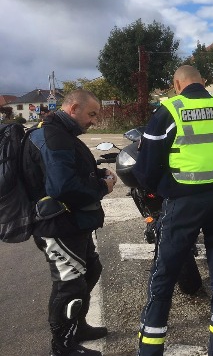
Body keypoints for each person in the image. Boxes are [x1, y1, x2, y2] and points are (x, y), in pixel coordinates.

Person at [133, 65, 213, 356]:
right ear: (202, 81)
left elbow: (146, 171)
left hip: (183, 203)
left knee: (163, 278)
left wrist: (168, 188)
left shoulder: (169, 111)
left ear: (177, 84)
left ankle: (149, 351)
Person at [22, 89, 116, 356]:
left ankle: (78, 326)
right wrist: (102, 186)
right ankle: (62, 347)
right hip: (56, 225)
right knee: (69, 285)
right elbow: (63, 186)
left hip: (72, 222)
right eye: (92, 114)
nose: (94, 121)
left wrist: (97, 172)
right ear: (73, 109)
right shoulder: (53, 136)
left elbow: (68, 171)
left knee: (91, 270)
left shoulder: (61, 133)